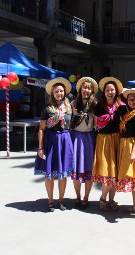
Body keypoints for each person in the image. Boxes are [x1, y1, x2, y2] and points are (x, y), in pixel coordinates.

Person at [34, 77, 74, 212]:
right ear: (52, 93)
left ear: (65, 92)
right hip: (51, 141)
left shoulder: (69, 108)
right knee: (49, 173)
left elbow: (71, 126)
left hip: (65, 141)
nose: (59, 94)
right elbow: (41, 129)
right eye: (57, 91)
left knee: (63, 174)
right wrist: (40, 147)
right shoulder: (47, 109)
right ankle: (50, 201)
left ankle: (61, 200)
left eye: (61, 91)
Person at [92, 77, 123, 211]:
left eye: (112, 90)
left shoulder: (121, 107)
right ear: (104, 92)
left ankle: (111, 200)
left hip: (116, 140)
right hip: (104, 140)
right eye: (108, 90)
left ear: (116, 92)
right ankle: (103, 199)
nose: (110, 92)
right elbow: (95, 125)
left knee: (115, 172)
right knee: (107, 172)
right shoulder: (99, 107)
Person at [70, 77, 98, 209]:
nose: (86, 90)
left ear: (92, 90)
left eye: (89, 88)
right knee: (76, 169)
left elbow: (97, 125)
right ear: (80, 88)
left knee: (88, 169)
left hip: (89, 139)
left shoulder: (95, 105)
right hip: (76, 138)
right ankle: (78, 197)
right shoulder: (73, 104)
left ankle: (86, 197)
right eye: (84, 87)